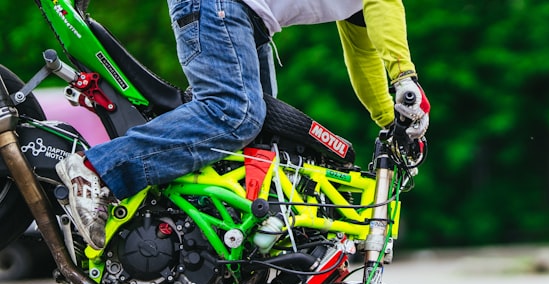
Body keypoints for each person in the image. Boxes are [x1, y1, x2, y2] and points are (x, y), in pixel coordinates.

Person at [56, 0, 430, 250]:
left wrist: (389, 121)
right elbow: (386, 11)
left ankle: (200, 248)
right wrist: (405, 79)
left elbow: (363, 56)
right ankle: (97, 171)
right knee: (233, 113)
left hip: (246, 20)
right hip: (222, 6)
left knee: (267, 153)